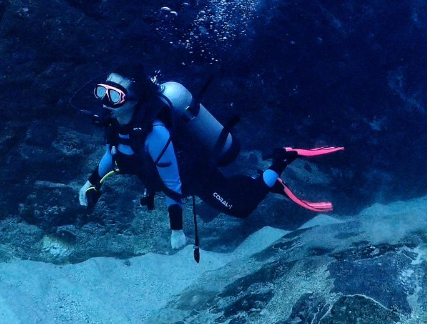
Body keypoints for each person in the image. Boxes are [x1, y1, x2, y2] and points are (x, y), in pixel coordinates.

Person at [78, 68, 337, 249]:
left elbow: (172, 183)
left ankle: (281, 161)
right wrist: (92, 182)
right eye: (102, 91)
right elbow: (113, 154)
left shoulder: (155, 133)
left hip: (196, 177)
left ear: (134, 101)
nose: (105, 102)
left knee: (241, 208)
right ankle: (261, 179)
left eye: (114, 95)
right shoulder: (117, 123)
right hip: (181, 179)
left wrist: (177, 231)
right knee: (236, 193)